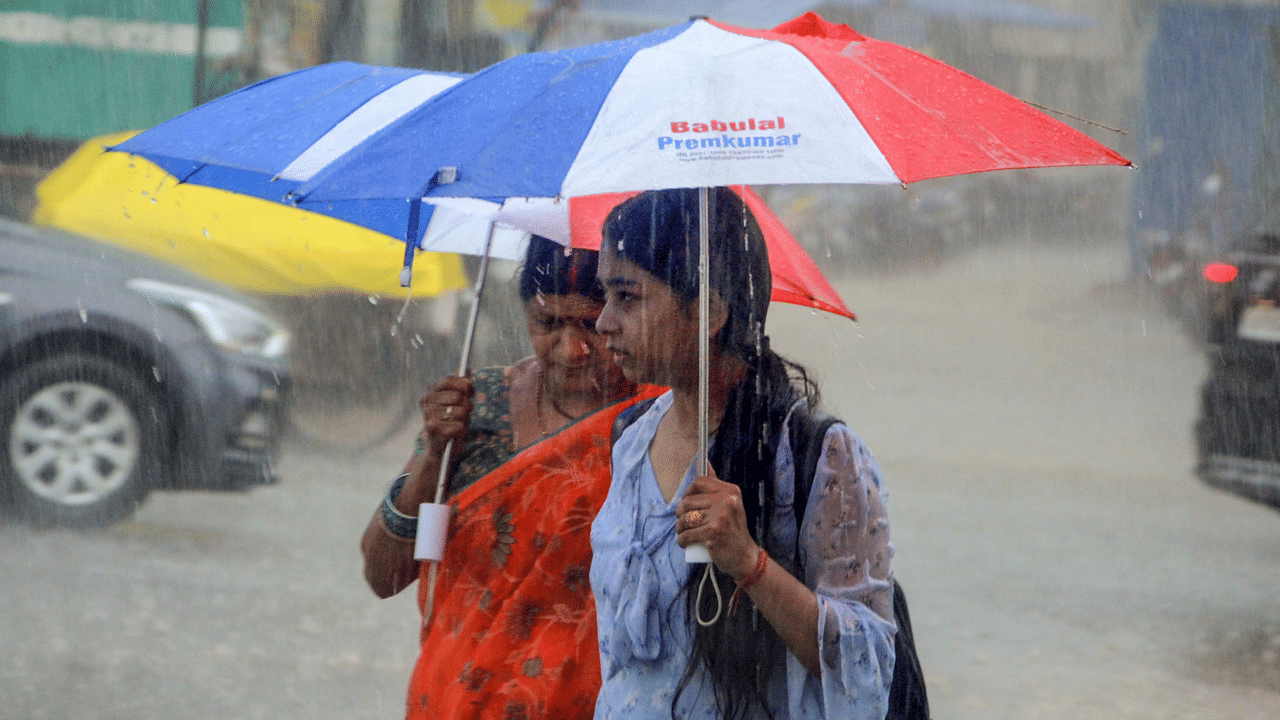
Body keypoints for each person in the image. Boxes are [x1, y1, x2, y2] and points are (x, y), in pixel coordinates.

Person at [590, 188, 897, 720]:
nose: (603, 323)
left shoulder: (814, 455)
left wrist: (749, 563)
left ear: (710, 310)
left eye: (628, 297)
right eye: (606, 296)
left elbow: (867, 660)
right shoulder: (632, 439)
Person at [360, 234, 661, 720]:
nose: (571, 349)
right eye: (547, 323)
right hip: (457, 700)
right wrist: (436, 456)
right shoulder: (477, 405)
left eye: (588, 323)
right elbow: (383, 574)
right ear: (524, 315)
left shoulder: (659, 420)